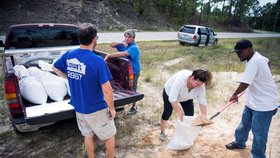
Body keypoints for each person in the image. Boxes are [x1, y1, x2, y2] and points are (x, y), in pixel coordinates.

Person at [52, 23, 116, 158]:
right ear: (94, 39)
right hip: (96, 108)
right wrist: (112, 109)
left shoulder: (69, 55)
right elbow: (107, 90)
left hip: (79, 107)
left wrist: (69, 77)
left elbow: (55, 67)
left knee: (87, 135)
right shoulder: (97, 60)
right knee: (109, 135)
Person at [225, 39, 278, 158]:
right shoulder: (255, 57)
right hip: (253, 101)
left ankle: (258, 156)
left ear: (249, 49)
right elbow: (268, 61)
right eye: (236, 52)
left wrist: (234, 95)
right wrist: (263, 75)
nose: (238, 55)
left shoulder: (256, 61)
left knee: (259, 133)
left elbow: (244, 83)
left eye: (240, 52)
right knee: (244, 125)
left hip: (264, 104)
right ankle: (239, 143)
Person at [159, 69, 212, 141]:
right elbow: (172, 99)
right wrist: (180, 112)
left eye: (201, 85)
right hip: (170, 93)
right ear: (192, 78)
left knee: (189, 115)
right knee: (167, 112)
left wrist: (204, 117)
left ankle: (185, 134)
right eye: (197, 84)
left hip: (186, 96)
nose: (199, 86)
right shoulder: (180, 80)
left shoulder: (200, 85)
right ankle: (162, 132)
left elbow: (202, 101)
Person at [105, 29, 141, 115]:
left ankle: (134, 107)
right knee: (122, 85)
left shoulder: (134, 47)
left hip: (133, 71)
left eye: (129, 37)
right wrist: (120, 43)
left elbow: (123, 54)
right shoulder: (123, 44)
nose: (127, 38)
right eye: (126, 36)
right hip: (124, 70)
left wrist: (109, 55)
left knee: (132, 88)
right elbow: (111, 44)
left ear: (133, 38)